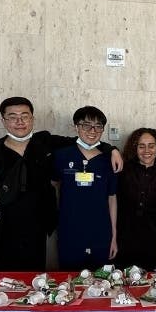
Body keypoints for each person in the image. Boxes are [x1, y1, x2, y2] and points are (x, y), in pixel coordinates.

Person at [0, 97, 120, 271]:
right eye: (12, 117)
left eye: (25, 116)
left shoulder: (46, 142)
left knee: (40, 278)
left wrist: (112, 149)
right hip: (4, 227)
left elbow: (84, 140)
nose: (19, 122)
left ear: (32, 118)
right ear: (3, 120)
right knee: (4, 276)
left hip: (41, 228)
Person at [51, 105, 119, 271]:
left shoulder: (109, 160)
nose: (92, 131)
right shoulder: (61, 156)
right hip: (70, 231)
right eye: (86, 125)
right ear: (76, 127)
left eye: (98, 127)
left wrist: (114, 236)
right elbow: (54, 188)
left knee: (101, 283)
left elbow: (112, 198)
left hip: (100, 232)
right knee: (69, 283)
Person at [115, 127, 156, 269]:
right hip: (125, 236)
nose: (147, 151)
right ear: (135, 148)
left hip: (154, 237)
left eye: (151, 146)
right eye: (141, 146)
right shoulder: (123, 170)